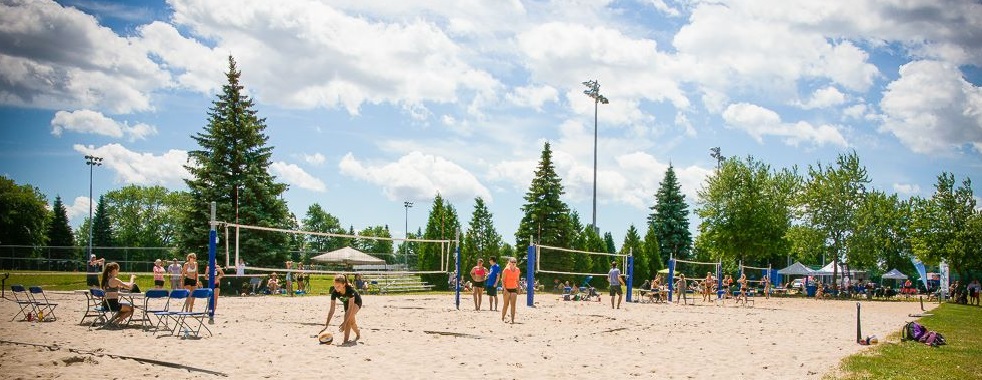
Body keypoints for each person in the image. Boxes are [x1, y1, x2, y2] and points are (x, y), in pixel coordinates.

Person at [321, 274, 362, 345]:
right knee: (352, 322)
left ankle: (345, 341)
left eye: (338, 286)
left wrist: (344, 323)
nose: (336, 288)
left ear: (344, 284)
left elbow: (350, 308)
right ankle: (358, 333)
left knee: (348, 319)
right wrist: (326, 325)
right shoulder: (334, 292)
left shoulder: (350, 290)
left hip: (356, 302)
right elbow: (332, 309)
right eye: (335, 286)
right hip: (346, 303)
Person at [100, 262, 136, 327]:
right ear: (114, 270)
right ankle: (117, 322)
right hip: (113, 305)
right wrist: (132, 278)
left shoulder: (105, 280)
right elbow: (130, 287)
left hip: (105, 304)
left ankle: (111, 321)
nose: (118, 271)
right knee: (131, 309)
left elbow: (113, 287)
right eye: (117, 269)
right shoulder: (114, 280)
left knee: (123, 308)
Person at [500, 257, 520, 324]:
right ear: (509, 263)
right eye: (512, 262)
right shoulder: (506, 270)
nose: (513, 263)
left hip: (514, 288)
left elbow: (517, 280)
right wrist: (505, 289)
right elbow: (503, 280)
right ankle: (502, 318)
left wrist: (519, 288)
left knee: (513, 305)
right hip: (506, 289)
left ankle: (512, 320)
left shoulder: (517, 270)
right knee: (506, 304)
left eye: (515, 262)